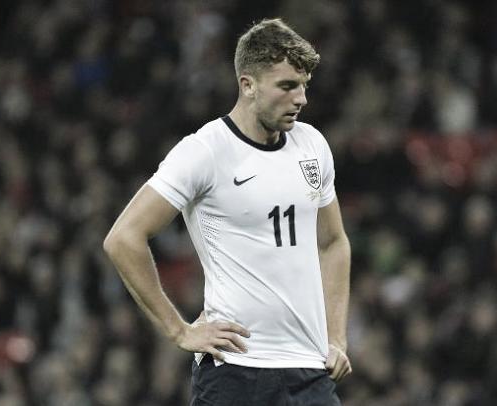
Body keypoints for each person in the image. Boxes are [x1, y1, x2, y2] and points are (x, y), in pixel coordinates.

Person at [103, 18, 352, 405]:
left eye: (304, 86)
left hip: (309, 370)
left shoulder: (312, 146)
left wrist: (336, 337)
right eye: (287, 86)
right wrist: (178, 330)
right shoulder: (205, 151)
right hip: (236, 372)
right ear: (247, 85)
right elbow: (123, 238)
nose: (300, 98)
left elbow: (333, 242)